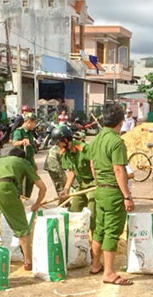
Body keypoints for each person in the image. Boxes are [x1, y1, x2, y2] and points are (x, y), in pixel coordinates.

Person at [0, 148, 47, 271]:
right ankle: (28, 262)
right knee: (21, 226)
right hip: (5, 187)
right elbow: (42, 187)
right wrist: (37, 204)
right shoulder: (22, 162)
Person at [89, 104, 134, 285]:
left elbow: (93, 167)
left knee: (99, 229)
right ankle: (108, 272)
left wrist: (101, 181)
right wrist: (127, 196)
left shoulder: (96, 140)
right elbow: (118, 169)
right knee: (112, 231)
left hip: (100, 189)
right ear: (121, 122)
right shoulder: (116, 142)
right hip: (113, 192)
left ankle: (95, 264)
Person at [54, 125, 96, 228]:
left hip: (93, 184)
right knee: (74, 211)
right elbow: (71, 172)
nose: (57, 145)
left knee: (91, 213)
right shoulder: (65, 153)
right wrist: (66, 189)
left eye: (58, 142)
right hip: (81, 185)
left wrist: (98, 182)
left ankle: (94, 237)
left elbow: (93, 164)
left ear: (65, 139)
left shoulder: (83, 148)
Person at [11, 113, 39, 197]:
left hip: (29, 161)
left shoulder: (30, 133)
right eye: (34, 123)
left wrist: (34, 163)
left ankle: (26, 198)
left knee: (30, 182)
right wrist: (22, 141)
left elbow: (31, 150)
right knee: (22, 184)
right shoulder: (19, 131)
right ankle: (21, 200)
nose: (34, 125)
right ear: (29, 122)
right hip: (22, 162)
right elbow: (14, 143)